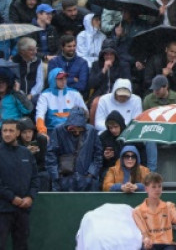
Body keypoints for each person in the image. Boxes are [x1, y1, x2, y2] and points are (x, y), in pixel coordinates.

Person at [0, 118, 38, 249]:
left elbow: (35, 178)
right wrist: (12, 198)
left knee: (21, 245)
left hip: (23, 210)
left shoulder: (26, 153)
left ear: (18, 133)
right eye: (4, 130)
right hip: (2, 210)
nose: (7, 134)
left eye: (11, 130)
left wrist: (30, 197)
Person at [46, 106, 102, 192]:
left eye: (80, 129)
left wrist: (91, 174)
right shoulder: (58, 131)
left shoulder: (92, 131)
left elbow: (98, 154)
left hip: (87, 179)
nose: (77, 132)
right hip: (64, 179)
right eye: (73, 129)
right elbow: (51, 155)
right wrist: (56, 176)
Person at [133, 172, 176, 250]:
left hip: (168, 244)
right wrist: (146, 241)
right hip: (151, 245)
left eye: (159, 186)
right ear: (146, 189)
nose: (157, 189)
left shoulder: (169, 206)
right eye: (153, 187)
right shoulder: (138, 210)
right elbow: (144, 233)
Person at [35, 68, 87, 136]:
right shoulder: (45, 95)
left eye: (65, 78)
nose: (63, 81)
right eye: (60, 79)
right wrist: (42, 131)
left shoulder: (74, 93)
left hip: (72, 131)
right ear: (53, 80)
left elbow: (85, 113)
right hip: (52, 131)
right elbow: (40, 115)